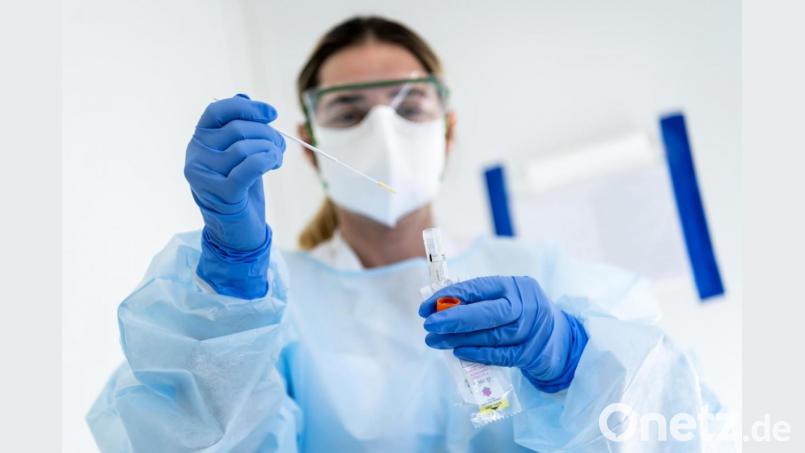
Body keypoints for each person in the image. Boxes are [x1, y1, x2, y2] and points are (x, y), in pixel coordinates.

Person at [87, 16, 730, 452]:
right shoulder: (262, 305)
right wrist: (229, 275)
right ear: (310, 149)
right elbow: (187, 440)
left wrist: (569, 359)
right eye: (348, 110)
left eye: (409, 104)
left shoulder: (545, 275)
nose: (383, 130)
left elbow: (672, 425)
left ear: (446, 133)